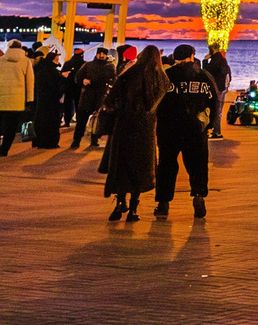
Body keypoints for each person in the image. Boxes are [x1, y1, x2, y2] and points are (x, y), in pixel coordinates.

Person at [99, 42, 168, 222]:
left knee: (122, 165)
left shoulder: (129, 74)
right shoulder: (162, 79)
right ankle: (134, 209)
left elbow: (111, 101)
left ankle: (120, 202)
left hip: (125, 126)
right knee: (141, 167)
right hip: (146, 129)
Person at [154, 46, 218, 218]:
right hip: (196, 130)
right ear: (192, 56)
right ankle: (198, 197)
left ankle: (163, 203)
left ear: (174, 57)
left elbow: (156, 102)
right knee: (197, 165)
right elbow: (215, 102)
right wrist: (210, 124)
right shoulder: (203, 76)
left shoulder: (167, 76)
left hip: (169, 129)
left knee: (166, 165)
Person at [0, 41, 34, 157]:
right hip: (16, 100)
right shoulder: (26, 61)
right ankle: (4, 149)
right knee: (11, 127)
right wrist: (29, 99)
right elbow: (29, 81)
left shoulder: (0, 60)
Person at [71, 46, 115, 147]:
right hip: (89, 95)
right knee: (83, 119)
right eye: (100, 53)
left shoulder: (109, 67)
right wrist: (83, 81)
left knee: (97, 119)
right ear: (97, 54)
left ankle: (93, 139)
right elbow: (78, 77)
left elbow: (113, 79)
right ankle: (77, 140)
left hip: (98, 95)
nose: (102, 55)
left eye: (104, 54)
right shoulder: (89, 65)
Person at [29, 46, 64, 149]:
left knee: (41, 120)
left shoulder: (40, 69)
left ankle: (39, 141)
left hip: (41, 99)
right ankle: (50, 142)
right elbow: (57, 85)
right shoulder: (53, 71)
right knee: (52, 121)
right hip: (52, 100)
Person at [204, 43, 231, 137]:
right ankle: (217, 131)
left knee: (215, 110)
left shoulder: (216, 60)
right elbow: (228, 74)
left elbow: (207, 72)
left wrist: (205, 61)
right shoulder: (223, 60)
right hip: (222, 88)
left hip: (217, 89)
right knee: (218, 110)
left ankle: (215, 131)